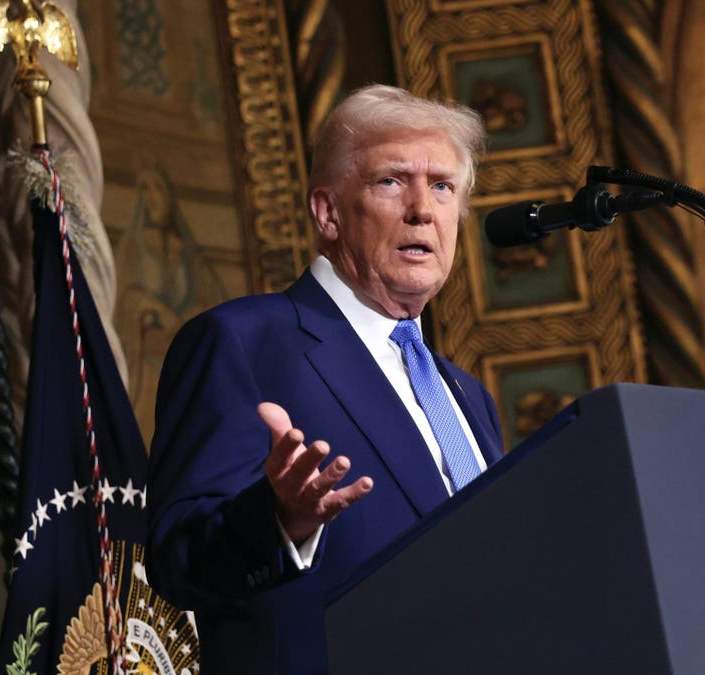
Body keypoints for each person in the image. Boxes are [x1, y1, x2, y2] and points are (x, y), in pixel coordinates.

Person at [146, 84, 503, 674]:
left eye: (441, 187)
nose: (422, 208)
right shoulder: (245, 341)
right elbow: (177, 559)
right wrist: (279, 522)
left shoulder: (467, 395)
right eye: (392, 181)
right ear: (328, 212)